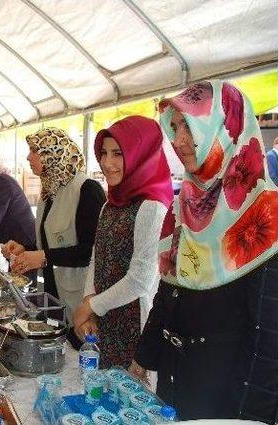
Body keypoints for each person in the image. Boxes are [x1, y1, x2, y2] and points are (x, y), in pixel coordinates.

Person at [129, 81, 278, 422]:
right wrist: (142, 359)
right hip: (173, 383)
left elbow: (269, 341)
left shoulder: (266, 216)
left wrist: (246, 417)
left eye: (190, 127)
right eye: (175, 126)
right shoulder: (187, 205)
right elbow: (170, 290)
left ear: (226, 130)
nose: (178, 140)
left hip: (224, 404)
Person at [72, 116, 173, 369]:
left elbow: (141, 278)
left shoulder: (152, 207)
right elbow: (98, 257)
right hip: (105, 322)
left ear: (142, 154)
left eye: (118, 153)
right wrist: (90, 305)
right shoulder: (111, 203)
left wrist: (91, 305)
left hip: (133, 329)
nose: (107, 163)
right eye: (104, 153)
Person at [3, 128, 105, 336]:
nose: (28, 157)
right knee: (57, 343)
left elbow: (90, 251)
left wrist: (43, 257)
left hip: (78, 294)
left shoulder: (86, 190)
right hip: (51, 292)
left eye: (35, 151)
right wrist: (26, 249)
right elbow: (51, 240)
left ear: (54, 154)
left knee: (80, 349)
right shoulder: (50, 189)